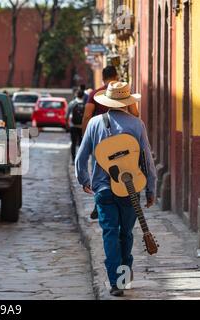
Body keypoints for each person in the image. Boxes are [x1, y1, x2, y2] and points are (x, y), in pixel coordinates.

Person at [75, 81, 157, 297]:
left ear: (108, 101)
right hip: (130, 188)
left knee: (110, 233)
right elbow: (147, 160)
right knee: (126, 233)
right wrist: (151, 188)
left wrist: (84, 180)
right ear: (126, 102)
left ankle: (116, 283)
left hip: (103, 189)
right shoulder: (137, 125)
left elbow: (81, 158)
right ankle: (124, 276)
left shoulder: (94, 124)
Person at [82, 66, 139, 220]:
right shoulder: (125, 93)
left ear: (103, 76)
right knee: (124, 168)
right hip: (124, 140)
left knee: (99, 171)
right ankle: (122, 197)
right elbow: (135, 114)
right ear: (116, 75)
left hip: (100, 139)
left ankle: (100, 201)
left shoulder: (95, 94)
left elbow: (87, 116)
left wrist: (86, 138)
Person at [66, 90, 85, 163]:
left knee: (73, 143)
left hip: (73, 125)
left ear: (76, 95)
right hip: (82, 126)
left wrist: (67, 125)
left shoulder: (72, 103)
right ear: (83, 96)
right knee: (81, 144)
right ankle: (80, 160)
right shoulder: (85, 104)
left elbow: (67, 116)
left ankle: (73, 160)